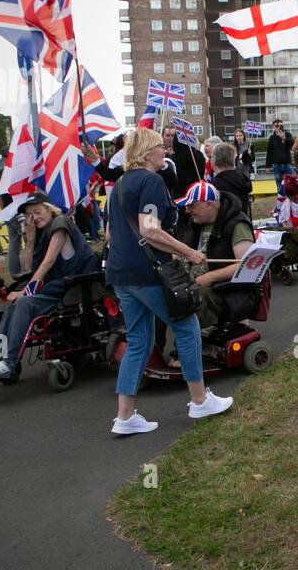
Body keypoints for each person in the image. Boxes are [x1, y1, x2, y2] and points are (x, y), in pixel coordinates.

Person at [105, 127, 233, 436]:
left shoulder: (120, 184)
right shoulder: (150, 181)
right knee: (187, 328)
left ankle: (125, 415)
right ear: (147, 153)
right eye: (161, 147)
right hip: (147, 274)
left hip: (120, 274)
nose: (166, 150)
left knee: (138, 342)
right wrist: (188, 251)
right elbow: (149, 230)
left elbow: (111, 233)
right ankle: (200, 399)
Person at [0, 191, 99, 379]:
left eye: (37, 211)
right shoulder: (42, 233)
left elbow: (48, 262)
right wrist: (30, 238)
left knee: (24, 303)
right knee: (13, 306)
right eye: (28, 214)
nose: (33, 217)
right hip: (56, 285)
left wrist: (26, 291)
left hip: (73, 284)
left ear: (50, 210)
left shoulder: (60, 223)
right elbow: (30, 269)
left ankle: (9, 361)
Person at [174, 181, 256, 335]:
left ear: (209, 205)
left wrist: (210, 277)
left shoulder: (237, 224)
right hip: (193, 283)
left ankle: (184, 353)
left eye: (192, 205)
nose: (187, 210)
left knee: (186, 309)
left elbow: (247, 264)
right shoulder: (196, 222)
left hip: (222, 288)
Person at [211, 142, 252, 217]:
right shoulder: (242, 178)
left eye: (211, 157)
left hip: (225, 227)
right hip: (243, 224)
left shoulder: (215, 186)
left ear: (214, 160)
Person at [265, 118, 294, 194]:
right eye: (276, 126)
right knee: (279, 184)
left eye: (280, 125)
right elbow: (269, 152)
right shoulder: (272, 138)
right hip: (276, 165)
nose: (278, 127)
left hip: (287, 163)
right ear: (273, 127)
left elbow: (292, 143)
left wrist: (284, 138)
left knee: (292, 182)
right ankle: (281, 200)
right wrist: (267, 166)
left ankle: (292, 198)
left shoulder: (287, 134)